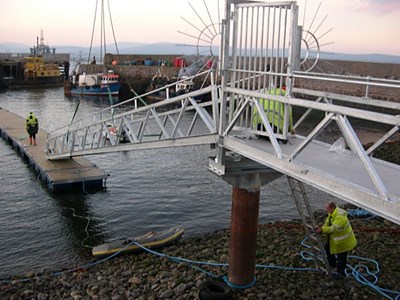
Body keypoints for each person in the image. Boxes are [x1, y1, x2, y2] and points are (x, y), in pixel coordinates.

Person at [315, 202, 357, 277]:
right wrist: (322, 228)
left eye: (327, 208)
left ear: (332, 208)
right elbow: (327, 223)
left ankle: (341, 274)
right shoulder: (332, 213)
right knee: (327, 248)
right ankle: (332, 264)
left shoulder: (340, 217)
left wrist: (322, 230)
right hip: (337, 241)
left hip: (344, 242)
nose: (326, 210)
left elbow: (333, 228)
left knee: (341, 258)